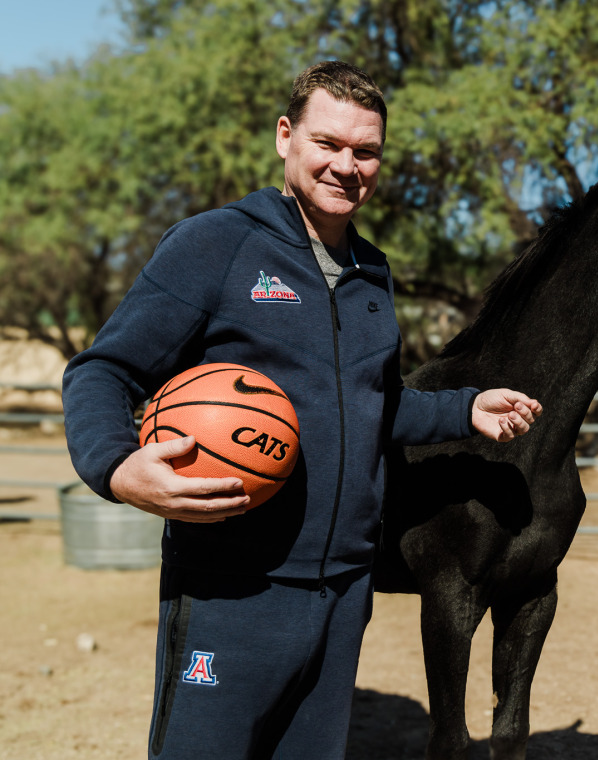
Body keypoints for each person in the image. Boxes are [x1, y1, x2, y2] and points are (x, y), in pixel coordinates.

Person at [62, 60, 541, 759]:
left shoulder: (372, 272)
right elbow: (103, 369)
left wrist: (467, 412)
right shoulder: (215, 244)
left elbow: (371, 405)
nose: (347, 165)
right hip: (232, 587)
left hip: (345, 590)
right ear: (286, 137)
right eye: (328, 144)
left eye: (366, 151)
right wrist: (116, 467)